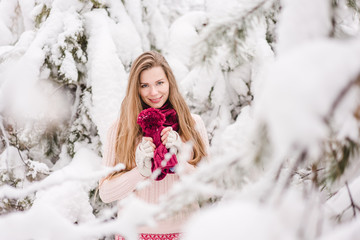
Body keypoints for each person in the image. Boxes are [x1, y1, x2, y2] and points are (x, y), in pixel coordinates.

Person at [99, 51, 209, 240]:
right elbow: (106, 194)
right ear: (136, 88)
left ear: (169, 83)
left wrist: (181, 159)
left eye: (159, 83)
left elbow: (209, 185)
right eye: (145, 85)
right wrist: (140, 172)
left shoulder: (192, 124)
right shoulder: (120, 130)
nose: (154, 92)